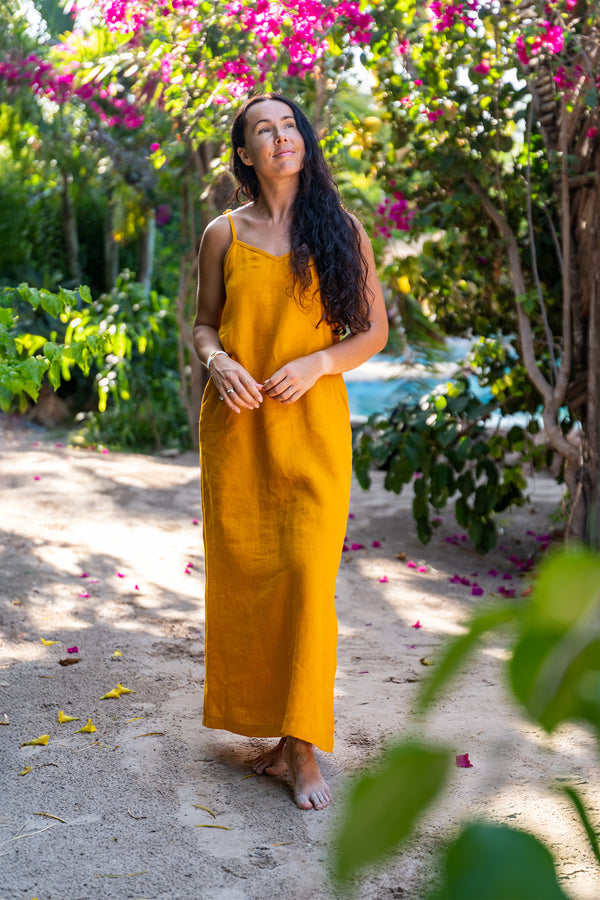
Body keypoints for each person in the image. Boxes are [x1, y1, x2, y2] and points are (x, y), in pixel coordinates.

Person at [193, 93, 388, 811]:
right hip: (237, 431)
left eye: (289, 127)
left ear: (303, 141)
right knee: (251, 583)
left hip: (313, 433)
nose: (281, 138)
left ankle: (302, 746)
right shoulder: (223, 233)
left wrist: (317, 364)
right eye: (263, 131)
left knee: (308, 581)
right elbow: (204, 326)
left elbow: (372, 333)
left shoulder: (340, 229)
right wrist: (216, 362)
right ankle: (279, 737)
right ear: (245, 154)